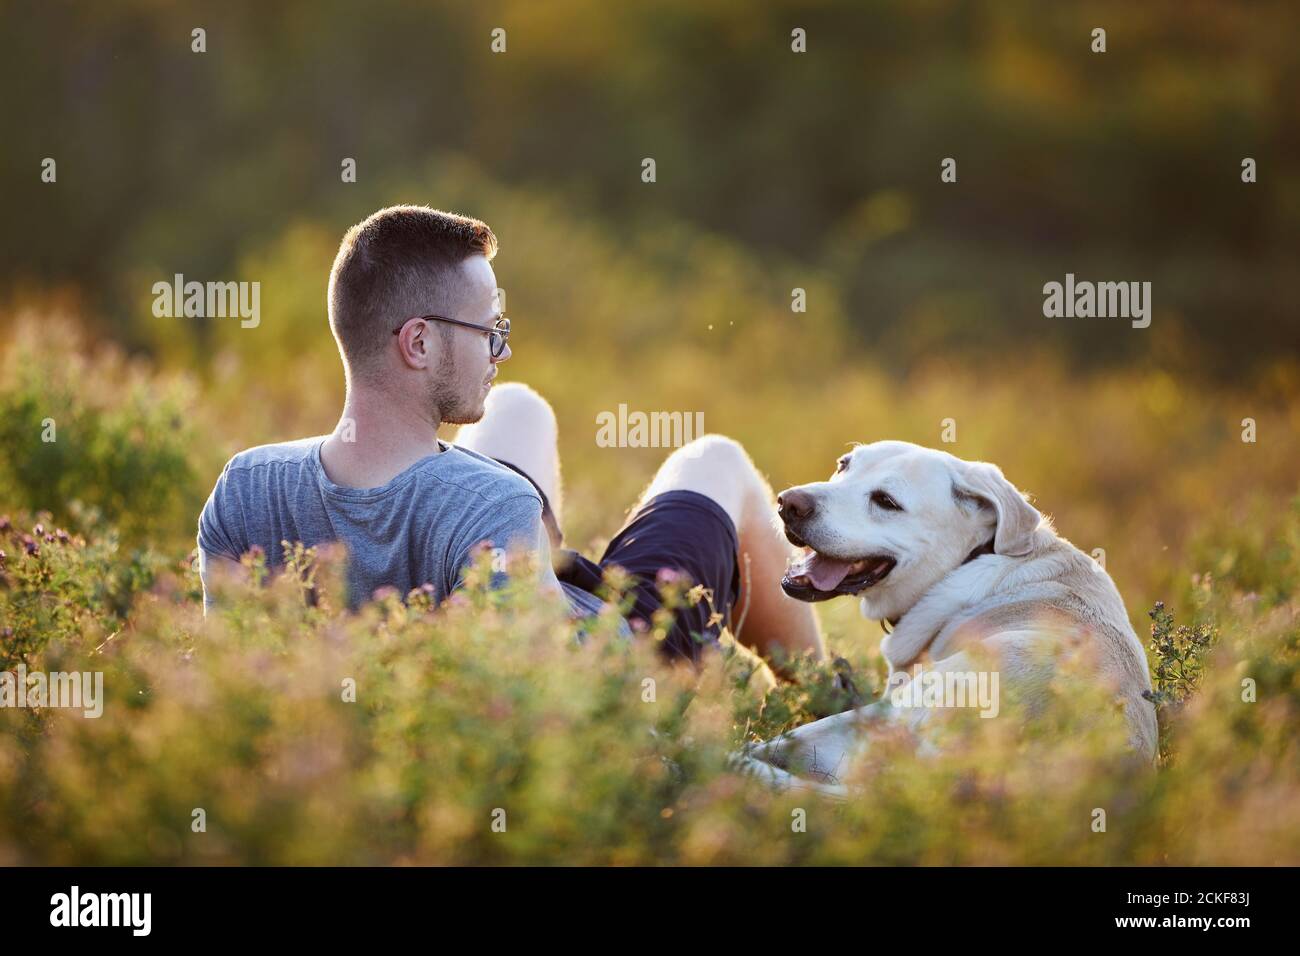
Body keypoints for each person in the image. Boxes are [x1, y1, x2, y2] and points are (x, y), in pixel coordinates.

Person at [197, 205, 824, 670]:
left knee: (517, 406)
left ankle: (552, 569)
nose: (502, 349)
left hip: (525, 571)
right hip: (624, 659)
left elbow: (235, 678)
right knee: (717, 459)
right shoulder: (494, 506)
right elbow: (526, 697)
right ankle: (829, 702)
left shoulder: (244, 486)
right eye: (489, 331)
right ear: (418, 342)